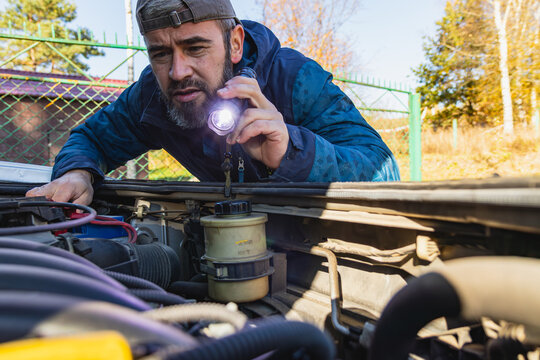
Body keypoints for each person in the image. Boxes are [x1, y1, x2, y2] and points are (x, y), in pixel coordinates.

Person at [26, 0, 400, 206]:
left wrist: (290, 150)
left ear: (235, 43)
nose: (177, 71)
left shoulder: (295, 79)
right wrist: (78, 172)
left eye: (195, 48)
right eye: (160, 53)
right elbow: (90, 139)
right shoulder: (151, 96)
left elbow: (384, 172)